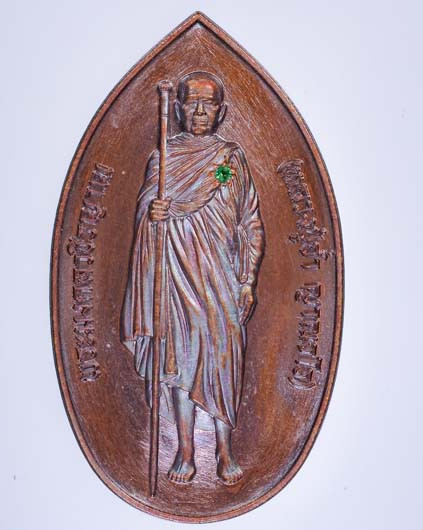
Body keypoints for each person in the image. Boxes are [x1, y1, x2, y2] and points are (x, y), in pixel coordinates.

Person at [121, 71, 265, 485]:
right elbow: (149, 213)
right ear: (179, 109)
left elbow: (246, 219)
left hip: (221, 280)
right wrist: (154, 214)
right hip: (176, 277)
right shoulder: (164, 158)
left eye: (209, 104)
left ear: (222, 111)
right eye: (192, 103)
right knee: (178, 363)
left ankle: (224, 450)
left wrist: (247, 280)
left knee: (222, 360)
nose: (200, 111)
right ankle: (185, 451)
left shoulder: (226, 163)